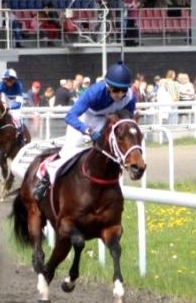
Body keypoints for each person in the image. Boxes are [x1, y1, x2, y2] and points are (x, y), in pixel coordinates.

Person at [33, 61, 137, 200]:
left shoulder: (130, 98)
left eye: (123, 90)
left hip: (102, 119)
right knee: (68, 153)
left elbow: (127, 119)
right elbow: (70, 116)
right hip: (83, 119)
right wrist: (88, 131)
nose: (119, 94)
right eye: (115, 90)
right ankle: (45, 180)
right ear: (107, 86)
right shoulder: (93, 93)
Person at [0, 68, 28, 144]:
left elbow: (19, 103)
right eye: (6, 80)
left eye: (11, 80)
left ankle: (20, 134)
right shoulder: (1, 85)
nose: (9, 82)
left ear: (14, 80)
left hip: (15, 103)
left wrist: (9, 107)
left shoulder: (18, 86)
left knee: (16, 117)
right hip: (5, 101)